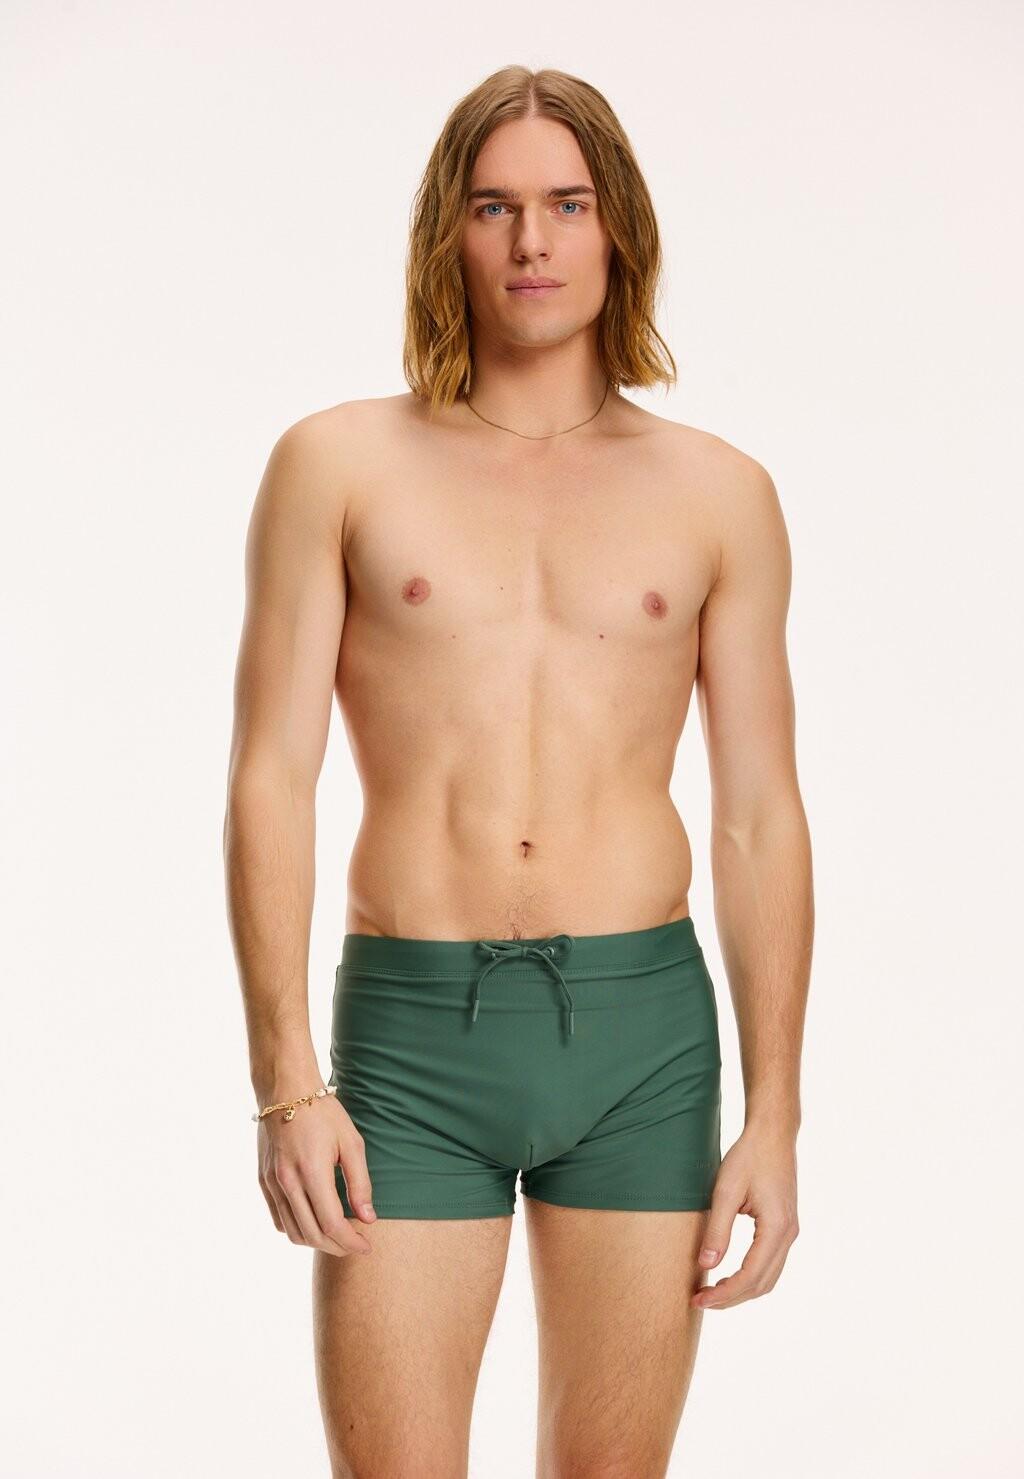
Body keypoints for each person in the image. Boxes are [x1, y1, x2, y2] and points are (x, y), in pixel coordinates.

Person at [224, 63, 813, 1479]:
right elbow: (270, 777)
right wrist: (286, 1079)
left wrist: (776, 1113)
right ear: (450, 230)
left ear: (620, 233)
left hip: (643, 1041)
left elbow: (756, 816)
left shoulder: (720, 492)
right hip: (411, 1043)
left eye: (566, 204)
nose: (532, 242)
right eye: (494, 207)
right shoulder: (336, 465)